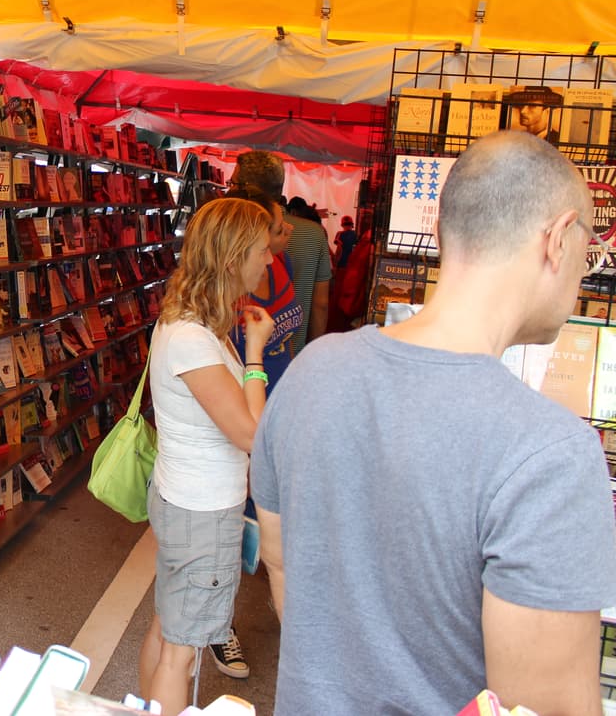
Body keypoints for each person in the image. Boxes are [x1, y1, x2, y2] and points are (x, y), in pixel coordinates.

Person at [250, 131, 616, 714]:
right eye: (589, 247)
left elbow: (283, 564)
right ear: (556, 238)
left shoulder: (310, 373)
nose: (585, 270)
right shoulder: (551, 453)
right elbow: (545, 706)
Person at [137, 198, 275, 715]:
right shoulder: (195, 338)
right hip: (201, 510)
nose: (269, 260)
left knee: (168, 626)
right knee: (181, 651)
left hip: (184, 500)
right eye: (262, 249)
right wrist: (256, 351)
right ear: (234, 256)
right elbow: (250, 433)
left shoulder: (191, 324)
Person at [232, 151, 331, 353]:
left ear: (247, 190)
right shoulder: (314, 234)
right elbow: (320, 304)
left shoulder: (228, 242)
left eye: (233, 184)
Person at [228, 187, 300, 393]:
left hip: (283, 395)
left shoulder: (281, 263)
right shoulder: (227, 295)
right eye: (278, 230)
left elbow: (286, 341)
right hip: (250, 404)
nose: (290, 229)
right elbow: (244, 424)